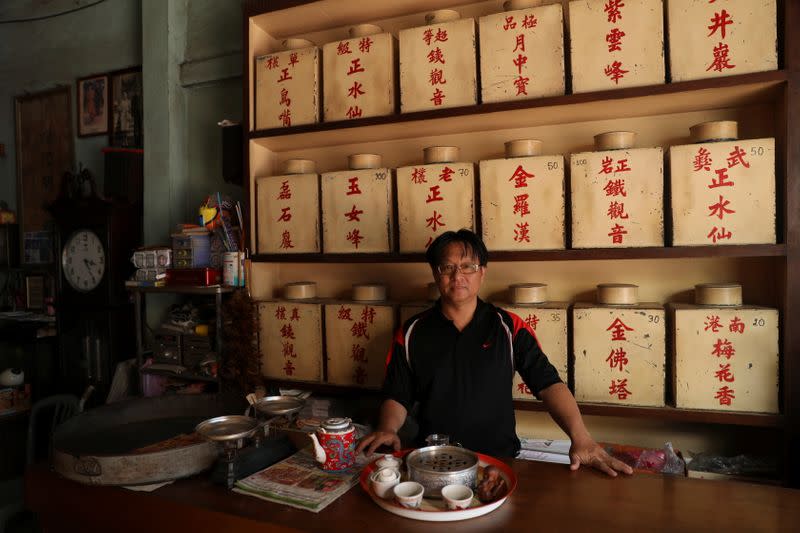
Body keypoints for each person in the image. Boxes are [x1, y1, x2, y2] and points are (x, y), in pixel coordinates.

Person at [355, 229, 633, 477]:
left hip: (498, 461)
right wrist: (389, 429)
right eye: (448, 267)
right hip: (433, 461)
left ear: (483, 272)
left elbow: (549, 384)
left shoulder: (509, 327)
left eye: (468, 266)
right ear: (435, 273)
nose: (458, 276)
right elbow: (398, 394)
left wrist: (581, 438)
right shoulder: (412, 332)